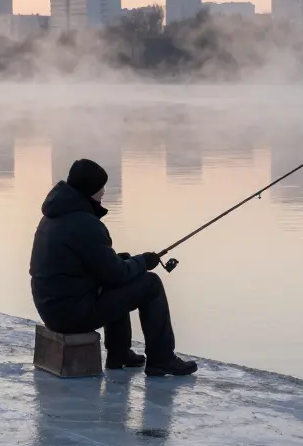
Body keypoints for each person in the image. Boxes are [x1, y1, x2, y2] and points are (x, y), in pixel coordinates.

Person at [30, 159, 197, 377]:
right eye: (101, 188)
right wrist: (143, 262)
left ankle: (119, 354)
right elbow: (116, 275)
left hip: (53, 306)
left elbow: (88, 265)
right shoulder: (85, 224)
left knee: (120, 277)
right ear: (91, 191)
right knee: (150, 284)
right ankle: (162, 358)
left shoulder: (54, 216)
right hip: (70, 314)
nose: (103, 193)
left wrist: (122, 261)